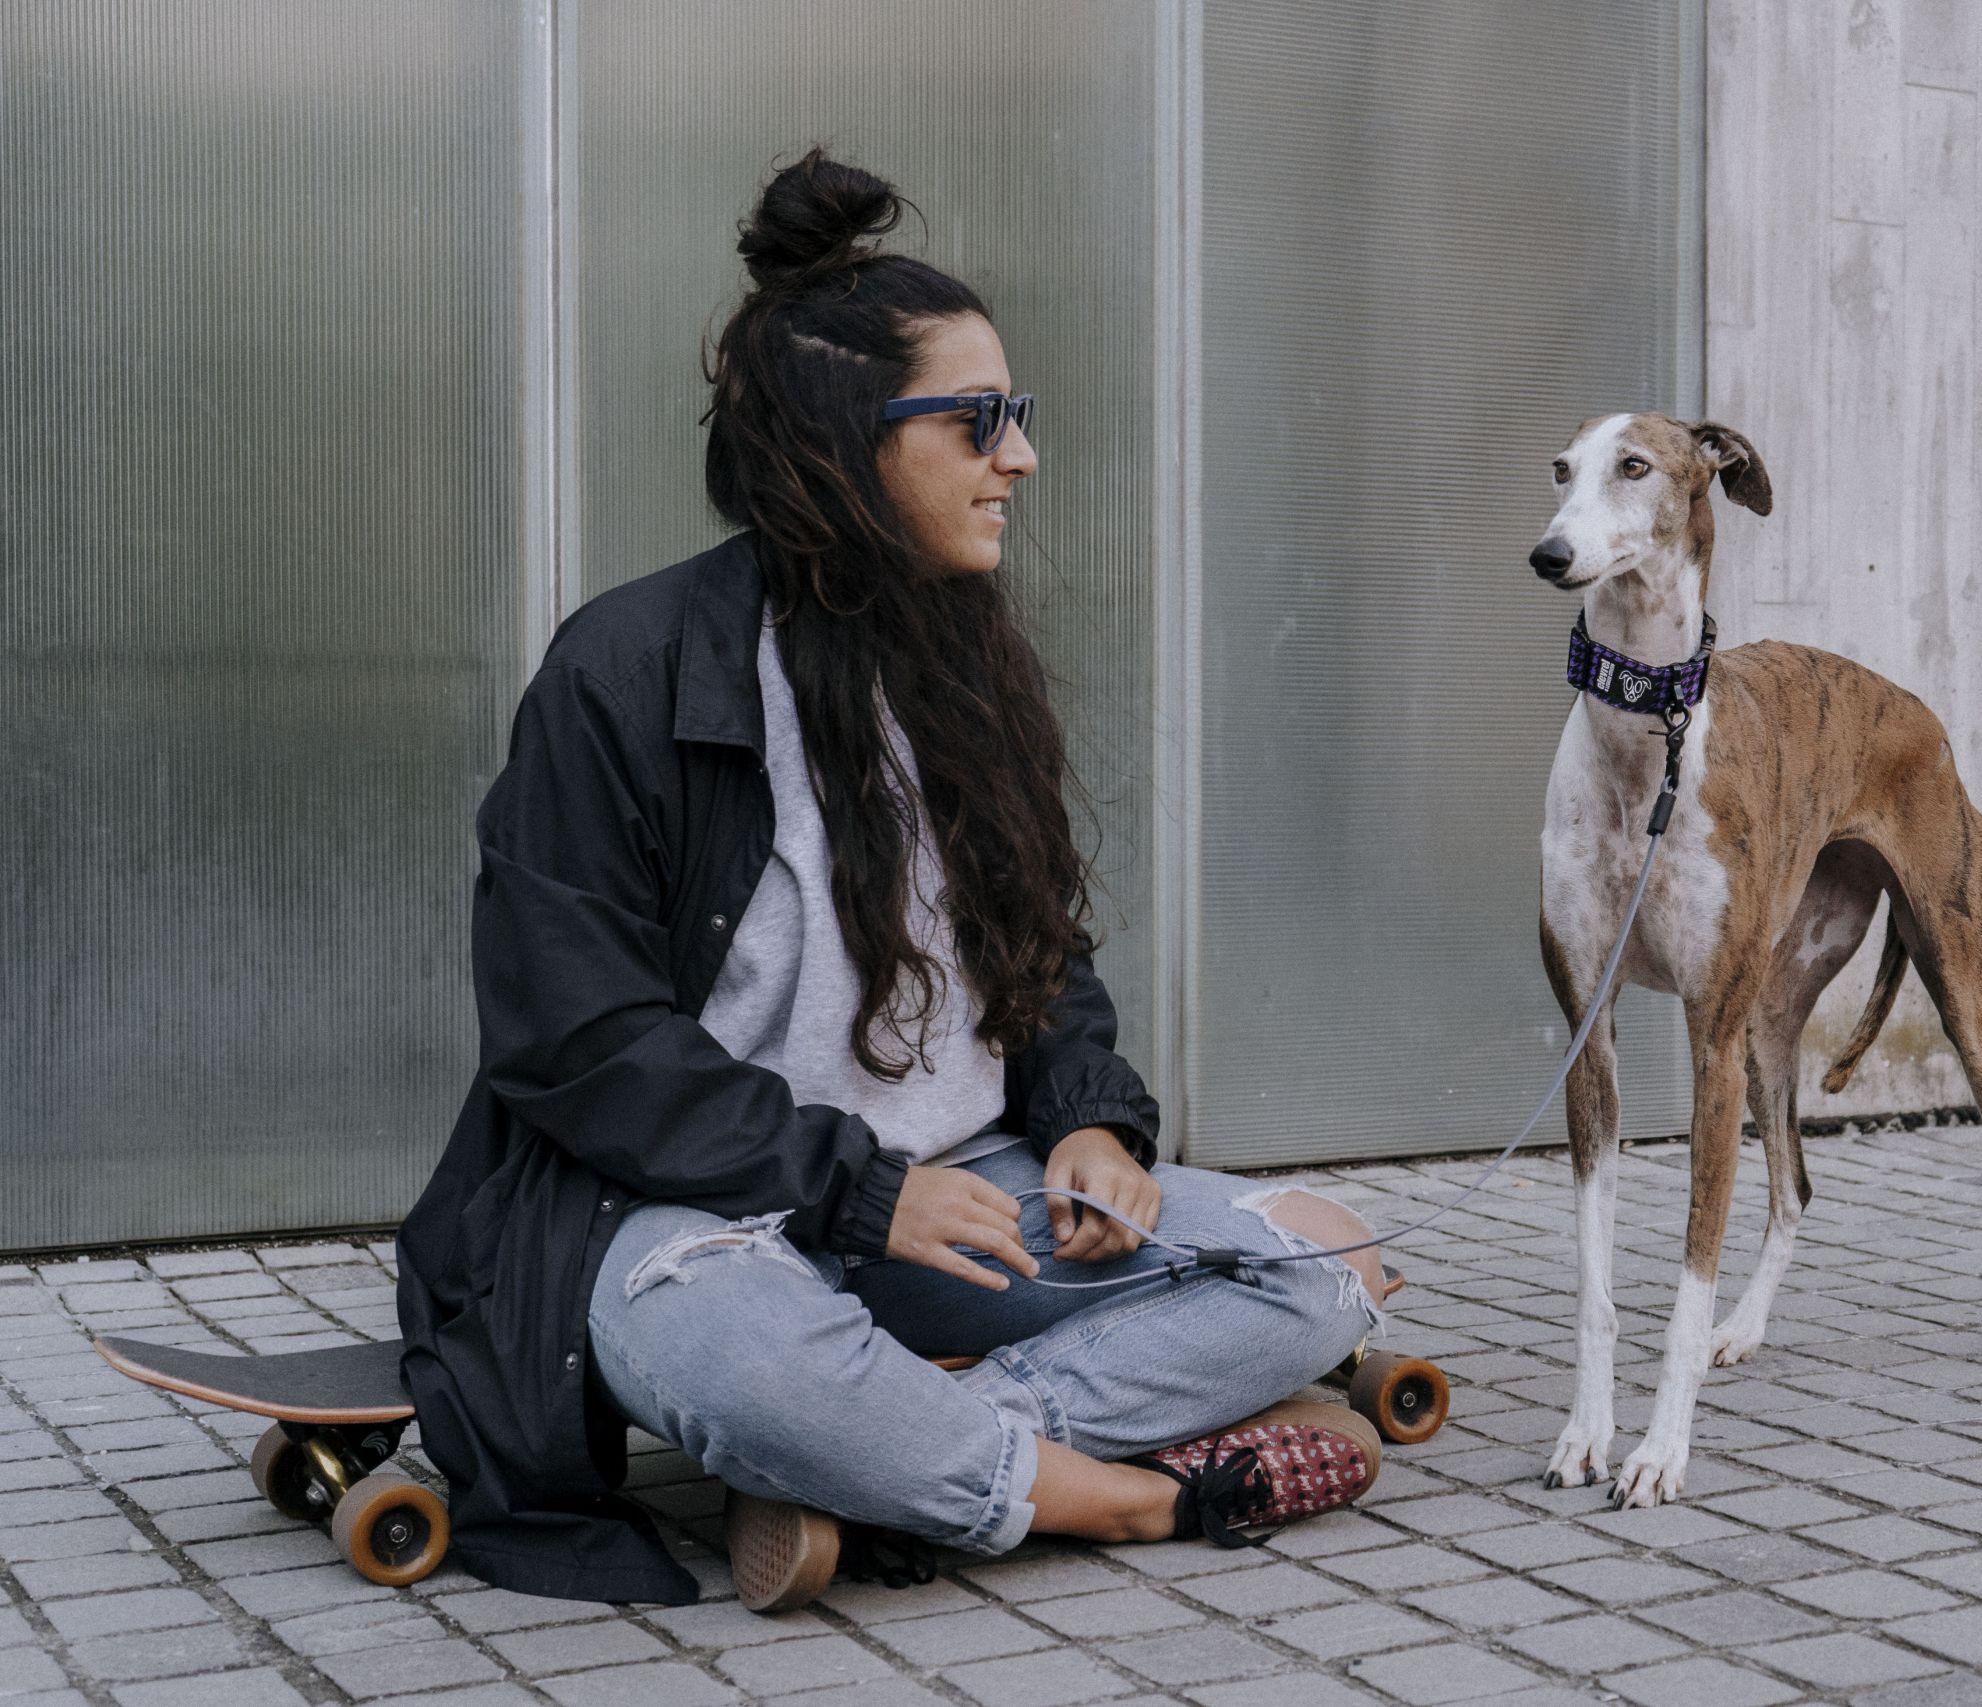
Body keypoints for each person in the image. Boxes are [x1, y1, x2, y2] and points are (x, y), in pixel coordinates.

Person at [396, 149, 1392, 1611]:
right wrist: (857, 1193)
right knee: (721, 1344)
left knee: (1329, 1265)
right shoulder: (623, 672)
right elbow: (577, 1038)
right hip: (689, 1214)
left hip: (970, 1199)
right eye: (978, 420)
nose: (1022, 458)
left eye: (1021, 417)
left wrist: (1093, 1124)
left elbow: (1036, 947)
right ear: (840, 444)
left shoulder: (962, 664)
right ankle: (1114, 1499)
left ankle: (889, 1468)